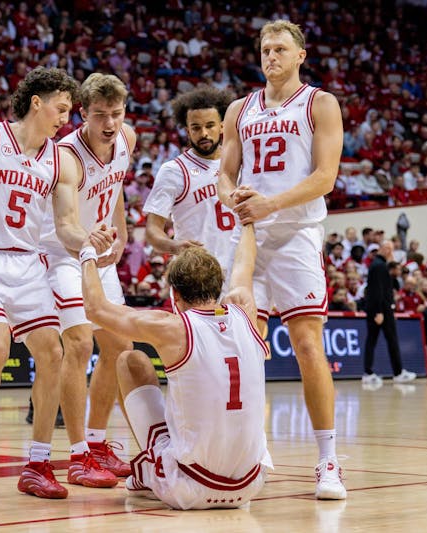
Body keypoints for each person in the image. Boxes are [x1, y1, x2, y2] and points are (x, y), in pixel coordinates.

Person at [0, 67, 112, 499]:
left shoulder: (60, 161)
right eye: (61, 108)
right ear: (37, 101)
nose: (64, 119)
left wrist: (85, 240)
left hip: (27, 263)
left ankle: (37, 463)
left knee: (52, 352)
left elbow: (67, 226)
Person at [216, 20, 346, 499]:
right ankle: (254, 451)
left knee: (308, 347)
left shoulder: (320, 103)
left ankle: (328, 461)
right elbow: (224, 176)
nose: (271, 56)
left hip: (296, 235)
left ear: (300, 55)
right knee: (246, 350)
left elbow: (325, 177)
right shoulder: (238, 109)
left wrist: (272, 202)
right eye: (266, 49)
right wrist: (235, 198)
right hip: (250, 236)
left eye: (280, 49)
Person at [81, 222, 272, 509]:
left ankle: (149, 470)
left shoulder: (173, 327)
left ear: (176, 295)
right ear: (218, 287)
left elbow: (96, 309)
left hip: (191, 486)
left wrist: (87, 254)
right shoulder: (247, 313)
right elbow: (244, 266)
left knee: (130, 360)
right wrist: (247, 222)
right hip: (250, 485)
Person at [38, 73, 136, 488]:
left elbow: (115, 193)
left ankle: (97, 444)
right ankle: (77, 455)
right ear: (83, 114)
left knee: (119, 345)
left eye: (116, 114)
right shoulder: (66, 156)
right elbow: (64, 226)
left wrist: (122, 230)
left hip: (98, 253)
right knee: (79, 342)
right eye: (100, 115)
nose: (109, 124)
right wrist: (89, 243)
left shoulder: (128, 139)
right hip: (61, 252)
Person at [143, 87, 237, 286]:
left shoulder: (241, 163)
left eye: (210, 125)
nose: (203, 133)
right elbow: (152, 230)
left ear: (222, 126)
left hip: (240, 272)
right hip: (196, 274)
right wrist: (174, 246)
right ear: (187, 131)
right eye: (196, 128)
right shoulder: (173, 170)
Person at [362, 241, 417, 384]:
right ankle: (372, 373)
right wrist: (379, 312)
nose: (392, 254)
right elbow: (377, 290)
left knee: (383, 340)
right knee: (377, 341)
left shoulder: (379, 265)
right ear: (386, 250)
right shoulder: (379, 266)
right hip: (381, 311)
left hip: (382, 310)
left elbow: (386, 288)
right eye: (391, 250)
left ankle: (395, 372)